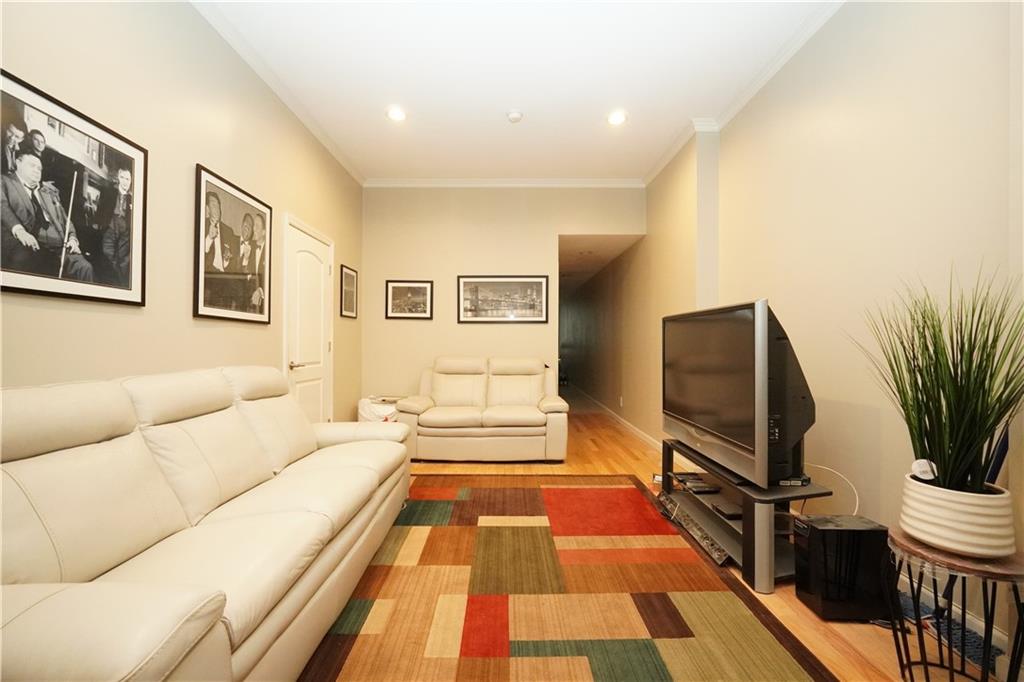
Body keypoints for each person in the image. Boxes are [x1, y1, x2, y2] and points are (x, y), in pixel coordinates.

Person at [0, 150, 94, 281]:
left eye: (39, 168)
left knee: (85, 267)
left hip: (60, 242)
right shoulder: (5, 181)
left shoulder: (49, 192)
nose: (37, 170)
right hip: (33, 240)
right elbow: (2, 207)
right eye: (32, 165)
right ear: (18, 163)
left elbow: (66, 220)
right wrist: (20, 231)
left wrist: (73, 238)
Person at [202, 191, 239, 308]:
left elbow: (234, 264)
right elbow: (197, 258)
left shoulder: (228, 231)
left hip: (225, 279)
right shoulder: (201, 225)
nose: (217, 208)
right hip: (210, 277)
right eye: (213, 205)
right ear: (207, 209)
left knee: (238, 289)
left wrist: (227, 260)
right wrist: (209, 238)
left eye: (218, 205)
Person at [99, 168, 133, 287]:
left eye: (128, 179)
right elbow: (101, 210)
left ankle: (119, 284)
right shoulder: (109, 192)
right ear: (118, 178)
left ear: (131, 181)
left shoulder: (133, 199)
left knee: (123, 258)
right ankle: (110, 282)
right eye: (123, 178)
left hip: (125, 231)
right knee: (107, 254)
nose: (125, 181)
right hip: (110, 227)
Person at [245, 214, 268, 313]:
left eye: (257, 226)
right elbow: (243, 273)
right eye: (254, 225)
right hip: (248, 299)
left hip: (265, 303)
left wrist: (260, 290)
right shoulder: (249, 246)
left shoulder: (270, 250)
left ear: (264, 232)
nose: (254, 229)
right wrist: (246, 258)